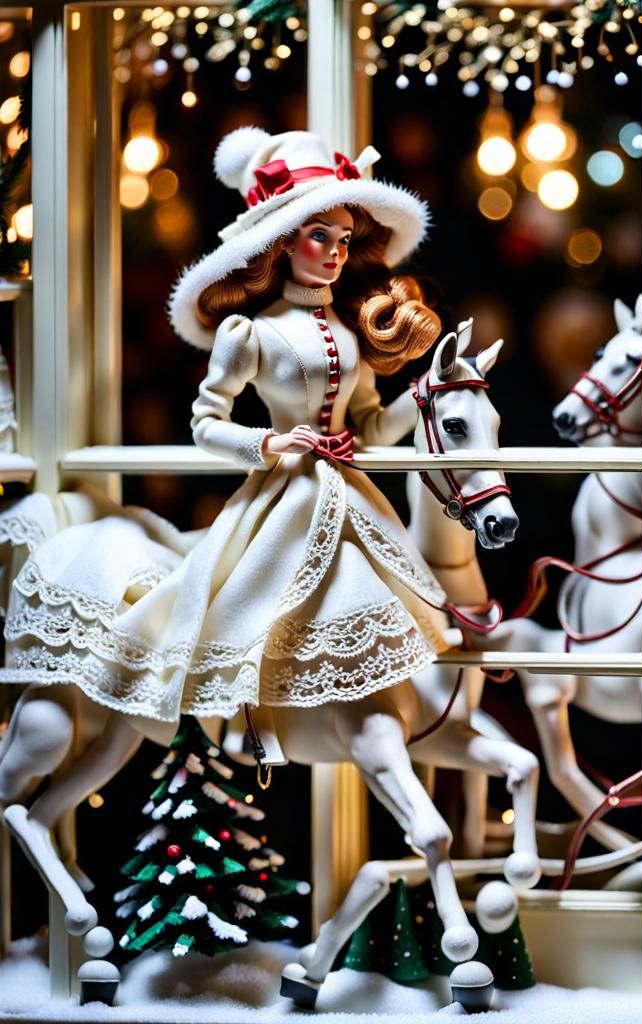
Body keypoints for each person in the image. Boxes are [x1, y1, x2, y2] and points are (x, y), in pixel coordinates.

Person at [1, 127, 451, 725]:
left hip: (350, 498)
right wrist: (271, 443)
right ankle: (253, 723)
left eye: (344, 238)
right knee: (247, 612)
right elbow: (205, 423)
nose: (337, 252)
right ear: (285, 245)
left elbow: (368, 425)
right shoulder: (252, 334)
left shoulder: (347, 331)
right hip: (283, 496)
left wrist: (425, 395)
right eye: (321, 237)